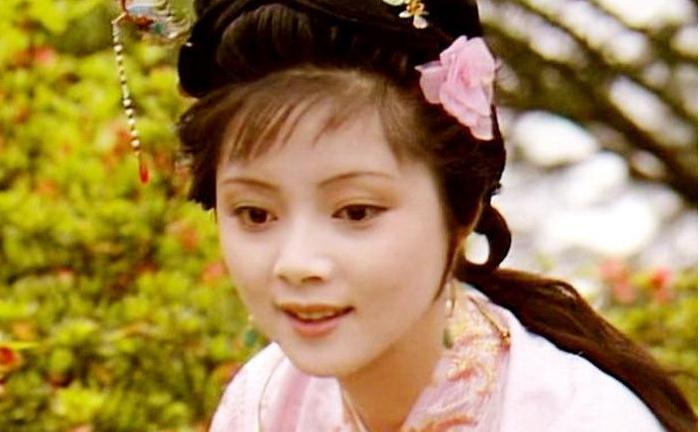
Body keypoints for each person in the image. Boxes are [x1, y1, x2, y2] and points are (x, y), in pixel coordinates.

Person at [175, 0, 697, 430]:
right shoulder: (266, 402)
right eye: (255, 214)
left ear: (461, 208)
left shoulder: (581, 420)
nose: (297, 264)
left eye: (356, 212)